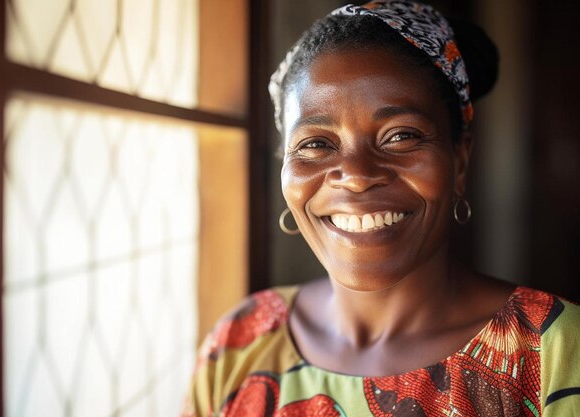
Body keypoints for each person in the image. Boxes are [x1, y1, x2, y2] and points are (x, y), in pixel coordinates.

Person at [182, 1, 580, 416]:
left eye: (400, 136)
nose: (355, 175)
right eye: (316, 144)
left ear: (460, 162)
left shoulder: (554, 353)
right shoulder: (238, 343)